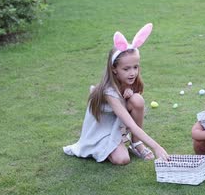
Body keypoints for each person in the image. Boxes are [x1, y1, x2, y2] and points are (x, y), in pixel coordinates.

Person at [63, 23, 169, 165]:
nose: (132, 73)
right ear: (114, 69)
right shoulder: (108, 91)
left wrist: (130, 92)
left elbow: (134, 104)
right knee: (122, 159)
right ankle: (110, 144)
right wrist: (156, 147)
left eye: (135, 67)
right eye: (126, 69)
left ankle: (136, 144)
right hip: (100, 132)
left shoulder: (128, 80)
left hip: (116, 124)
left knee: (137, 99)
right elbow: (130, 124)